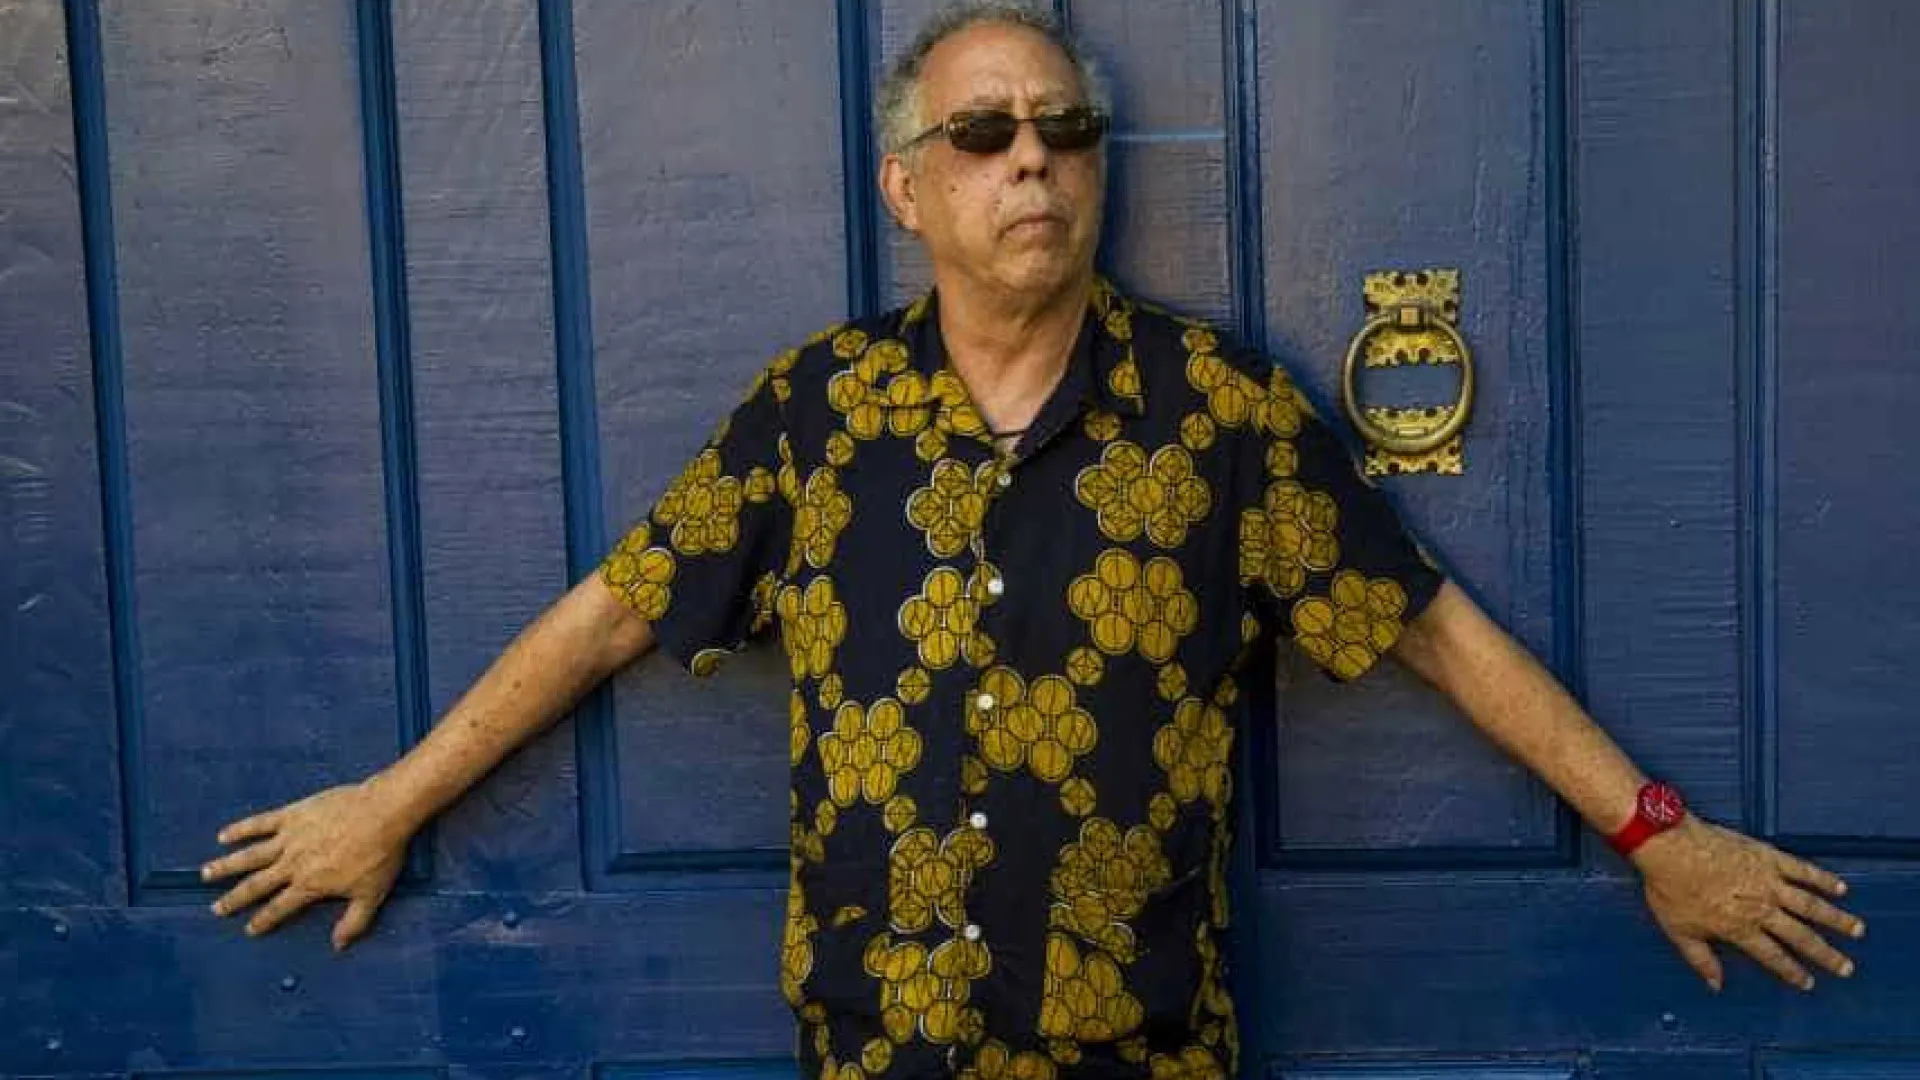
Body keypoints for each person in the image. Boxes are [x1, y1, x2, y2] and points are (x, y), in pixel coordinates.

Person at [201, 3, 1866, 1077]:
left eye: (1065, 132)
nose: (1033, 165)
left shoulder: (1217, 411)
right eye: (985, 135)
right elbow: (619, 611)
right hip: (877, 1049)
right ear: (907, 189)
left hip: (1143, 1052)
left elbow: (1426, 627)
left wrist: (1658, 832)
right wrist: (389, 806)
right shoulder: (819, 411)